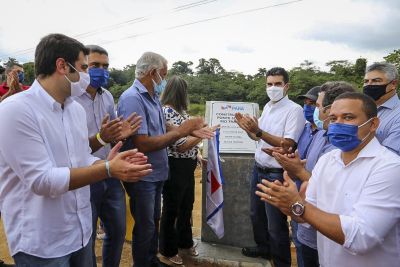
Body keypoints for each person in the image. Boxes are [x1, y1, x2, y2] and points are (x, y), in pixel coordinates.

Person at [0, 33, 152, 266]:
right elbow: (43, 180)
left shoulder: (74, 110)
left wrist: (107, 162)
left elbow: (82, 159)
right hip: (42, 242)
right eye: (83, 67)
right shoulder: (16, 111)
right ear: (62, 66)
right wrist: (109, 168)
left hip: (78, 231)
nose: (87, 75)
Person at [257, 92, 400, 267]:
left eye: (348, 117)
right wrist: (288, 204)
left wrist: (299, 207)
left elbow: (362, 237)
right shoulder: (328, 160)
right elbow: (306, 215)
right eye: (333, 119)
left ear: (373, 124)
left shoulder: (390, 167)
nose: (338, 124)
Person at [117, 52, 213, 267]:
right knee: (145, 226)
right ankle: (143, 263)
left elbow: (163, 127)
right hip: (143, 175)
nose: (164, 81)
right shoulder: (133, 98)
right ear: (152, 73)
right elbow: (143, 142)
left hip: (157, 172)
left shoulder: (151, 97)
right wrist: (182, 132)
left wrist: (188, 131)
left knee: (153, 222)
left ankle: (151, 260)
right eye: (163, 75)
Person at [270, 82, 355, 267]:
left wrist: (298, 171)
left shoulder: (341, 146)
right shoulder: (319, 134)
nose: (313, 110)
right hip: (304, 221)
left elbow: (334, 188)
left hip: (323, 227)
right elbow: (311, 166)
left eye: (316, 105)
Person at [74, 44, 141, 267]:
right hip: (85, 177)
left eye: (105, 66)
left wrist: (120, 135)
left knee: (118, 231)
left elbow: (112, 136)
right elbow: (72, 150)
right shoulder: (70, 100)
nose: (101, 70)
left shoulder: (107, 97)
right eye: (94, 65)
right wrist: (102, 137)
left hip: (111, 174)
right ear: (83, 67)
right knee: (87, 237)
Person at [235, 67, 305, 267]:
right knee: (256, 214)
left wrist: (258, 131)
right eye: (269, 84)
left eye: (277, 84)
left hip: (276, 173)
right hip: (259, 168)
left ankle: (281, 262)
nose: (272, 88)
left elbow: (288, 143)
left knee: (276, 224)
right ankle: (264, 248)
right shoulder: (268, 107)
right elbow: (260, 139)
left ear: (286, 86)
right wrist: (249, 130)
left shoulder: (294, 110)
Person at [158, 76, 216, 265]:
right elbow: (180, 146)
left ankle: (185, 242)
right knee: (172, 208)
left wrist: (198, 155)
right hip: (174, 165)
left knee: (186, 206)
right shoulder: (167, 112)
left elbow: (188, 145)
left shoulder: (181, 113)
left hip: (187, 165)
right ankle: (168, 249)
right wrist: (203, 135)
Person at [363, 62, 400, 155]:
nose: (369, 85)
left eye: (376, 81)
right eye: (366, 81)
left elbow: (389, 156)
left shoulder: (398, 115)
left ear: (393, 84)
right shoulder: (361, 109)